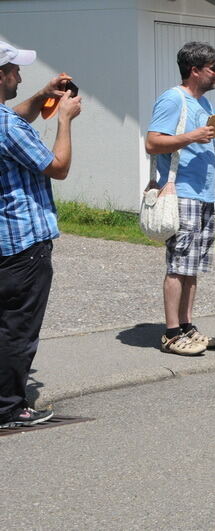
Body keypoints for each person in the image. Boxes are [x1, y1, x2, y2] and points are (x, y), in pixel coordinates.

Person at [0, 41, 82, 428]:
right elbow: (58, 166)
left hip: (4, 241)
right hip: (24, 243)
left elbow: (14, 116)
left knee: (6, 322)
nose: (20, 75)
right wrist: (63, 118)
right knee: (18, 328)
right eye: (15, 70)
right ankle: (9, 408)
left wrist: (40, 97)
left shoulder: (6, 120)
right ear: (1, 75)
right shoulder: (7, 127)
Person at [146, 41, 215, 356]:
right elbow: (153, 143)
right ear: (195, 70)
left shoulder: (208, 106)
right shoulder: (173, 99)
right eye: (213, 67)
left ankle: (187, 326)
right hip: (181, 191)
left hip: (203, 193)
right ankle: (171, 333)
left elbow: (209, 150)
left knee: (192, 265)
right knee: (177, 264)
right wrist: (191, 136)